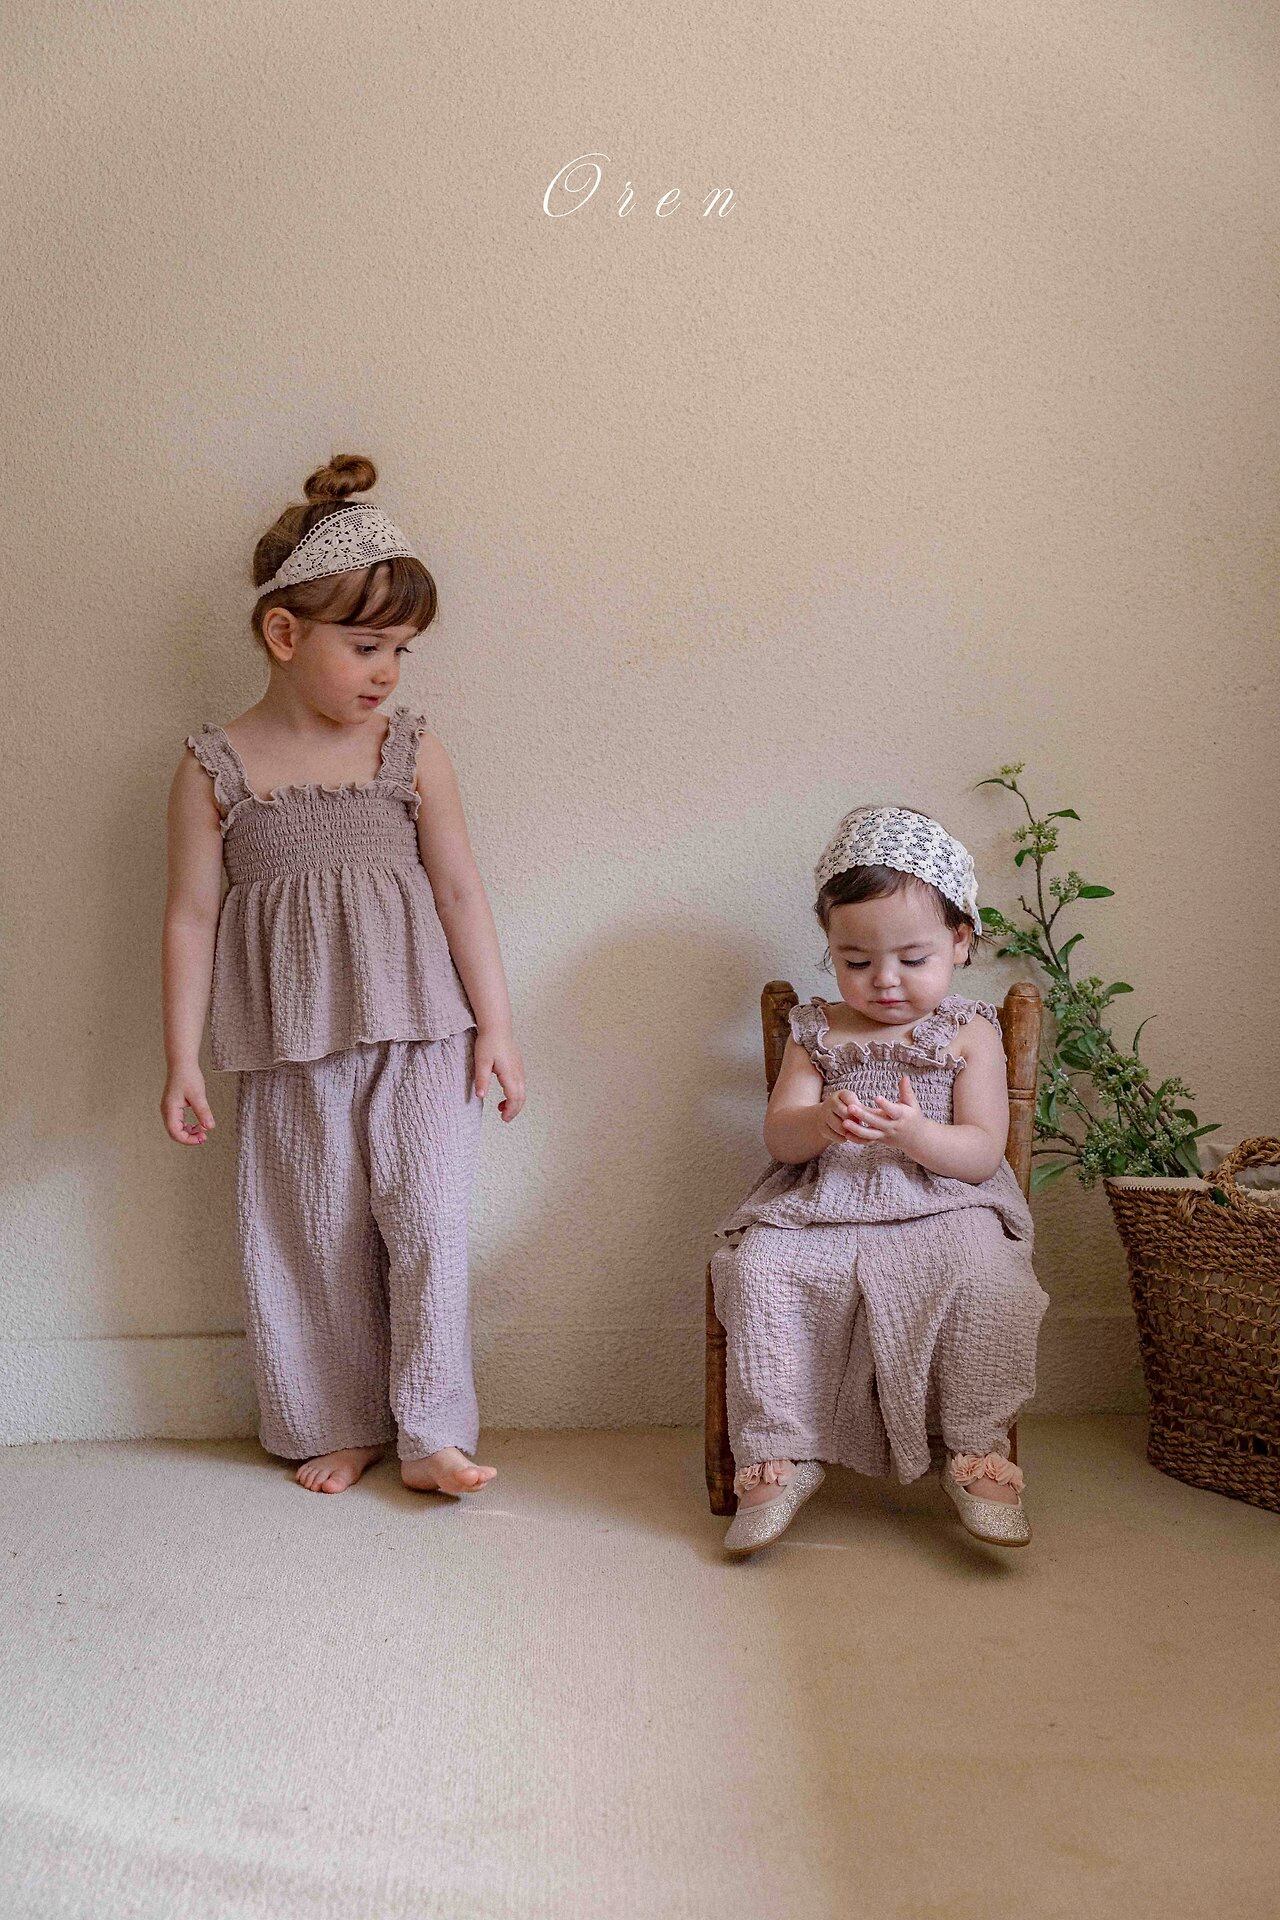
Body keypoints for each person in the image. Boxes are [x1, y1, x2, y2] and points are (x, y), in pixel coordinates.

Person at [161, 453, 524, 1497]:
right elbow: (190, 918)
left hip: (425, 1034)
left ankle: (431, 1432)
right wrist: (181, 1059)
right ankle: (339, 1421)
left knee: (428, 1228)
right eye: (366, 647)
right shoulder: (214, 769)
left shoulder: (409, 753)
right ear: (285, 635)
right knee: (311, 1236)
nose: (387, 673)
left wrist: (497, 1029)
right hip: (287, 1046)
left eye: (400, 651)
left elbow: (460, 895)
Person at [711, 805, 1048, 1552]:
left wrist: (916, 1134)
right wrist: (819, 1121)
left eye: (913, 959)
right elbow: (781, 1137)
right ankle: (779, 1451)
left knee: (988, 1276)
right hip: (824, 1204)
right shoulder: (817, 1030)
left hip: (945, 1203)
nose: (884, 982)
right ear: (830, 949)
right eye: (857, 962)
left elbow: (982, 1151)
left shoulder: (969, 1031)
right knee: (761, 1269)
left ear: (960, 941)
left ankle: (977, 1449)